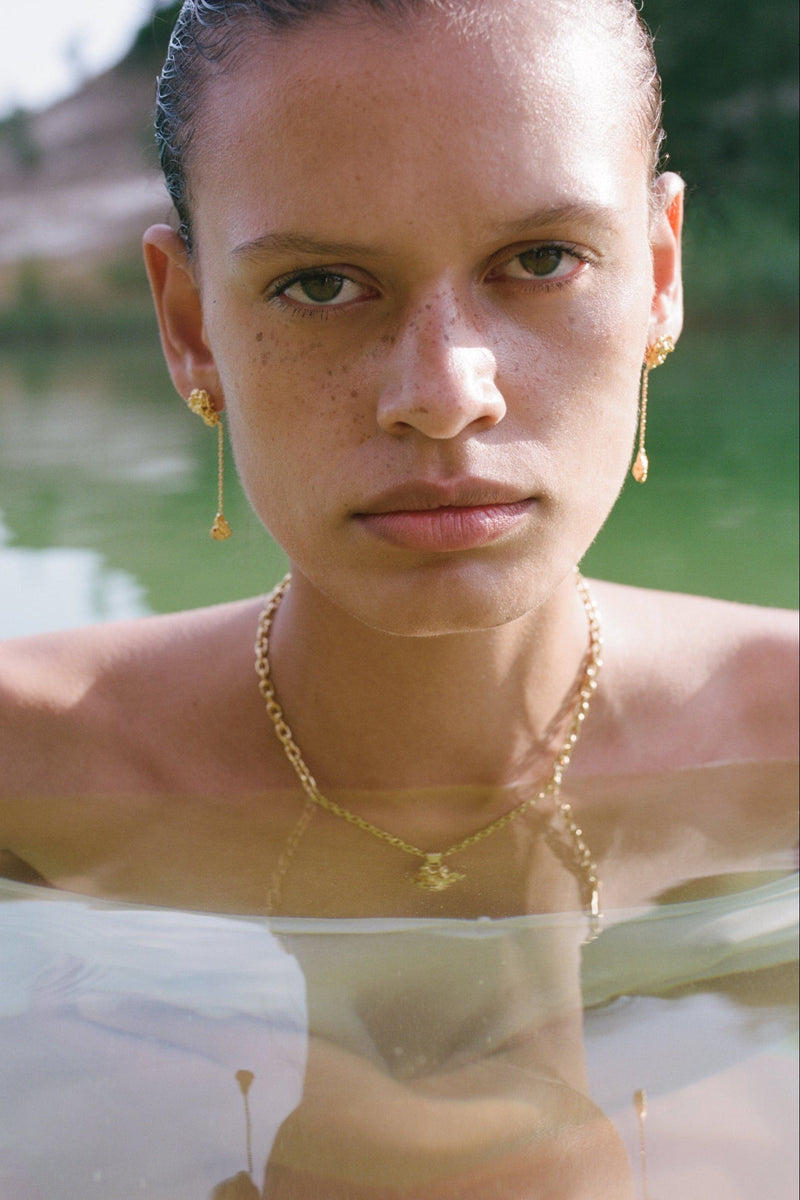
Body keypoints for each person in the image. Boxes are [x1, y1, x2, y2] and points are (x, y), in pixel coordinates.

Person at [0, 0, 796, 1195]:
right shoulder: (30, 782)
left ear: (659, 275)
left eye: (539, 261)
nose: (441, 392)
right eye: (322, 283)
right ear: (188, 325)